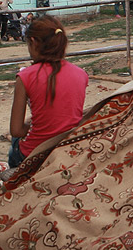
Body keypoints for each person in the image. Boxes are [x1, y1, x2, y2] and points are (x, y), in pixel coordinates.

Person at [8, 15, 88, 168]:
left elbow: (16, 130)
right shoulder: (81, 74)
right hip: (68, 147)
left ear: (33, 42)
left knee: (15, 144)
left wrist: (31, 128)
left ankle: (14, 176)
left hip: (35, 153)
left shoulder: (25, 76)